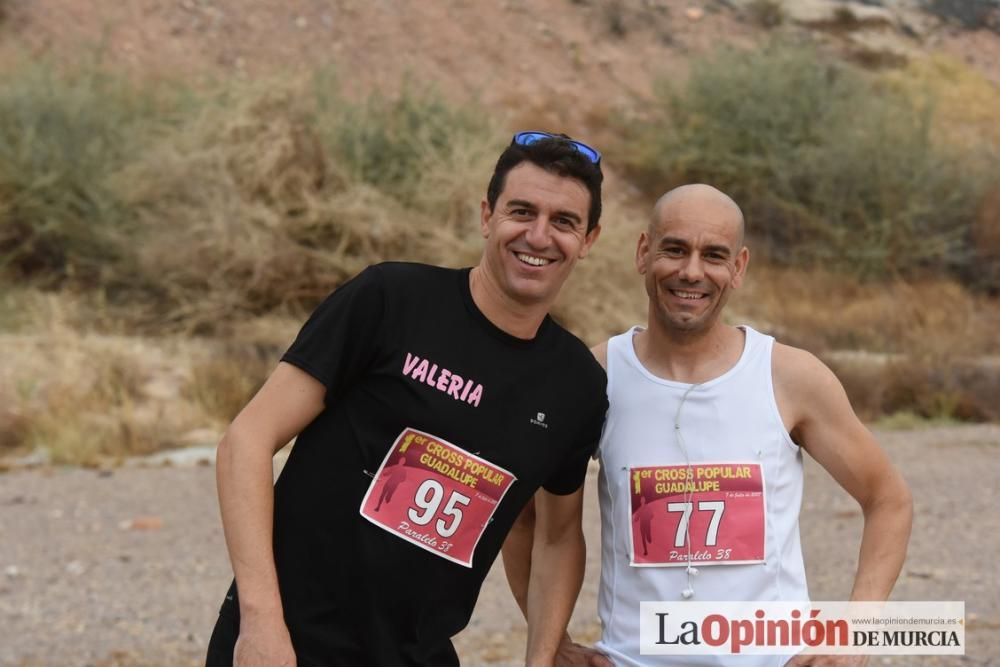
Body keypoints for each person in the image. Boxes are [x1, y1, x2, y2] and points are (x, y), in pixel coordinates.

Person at [205, 131, 609, 667]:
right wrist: (259, 622)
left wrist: (547, 650)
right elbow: (247, 441)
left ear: (588, 239)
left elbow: (549, 535)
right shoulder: (390, 300)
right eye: (521, 211)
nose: (539, 235)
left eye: (564, 221)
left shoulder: (576, 384)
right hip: (291, 643)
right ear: (487, 216)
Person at [503, 184, 913, 666]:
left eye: (713, 255)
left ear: (738, 267)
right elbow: (526, 521)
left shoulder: (789, 377)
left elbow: (888, 500)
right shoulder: (595, 379)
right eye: (675, 249)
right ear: (643, 252)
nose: (692, 272)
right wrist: (552, 646)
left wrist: (854, 634)